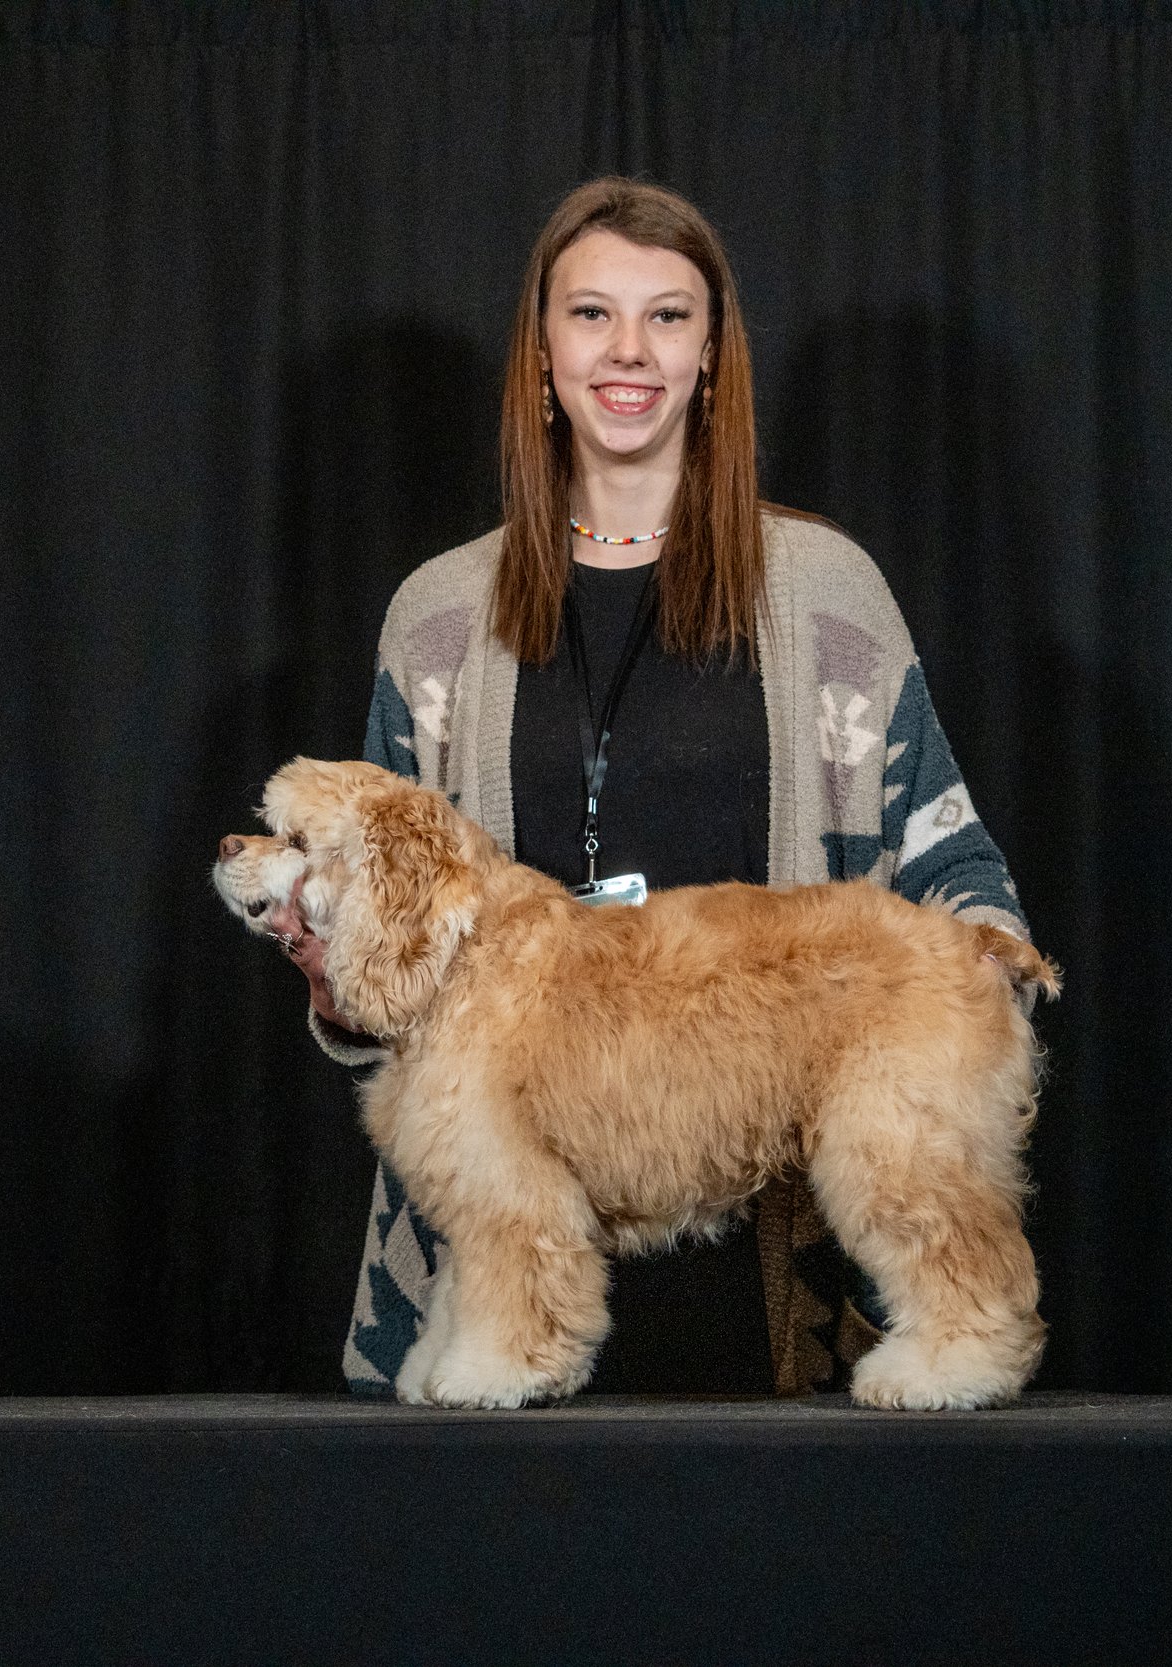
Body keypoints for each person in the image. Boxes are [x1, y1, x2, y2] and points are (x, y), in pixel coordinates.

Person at [284, 177, 1032, 1398]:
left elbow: (949, 859)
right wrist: (339, 976)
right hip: (502, 1249)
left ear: (711, 356)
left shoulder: (826, 594)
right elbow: (383, 927)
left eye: (667, 316)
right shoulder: (434, 620)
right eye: (591, 313)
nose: (627, 349)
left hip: (764, 1270)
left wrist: (956, 1045)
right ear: (541, 351)